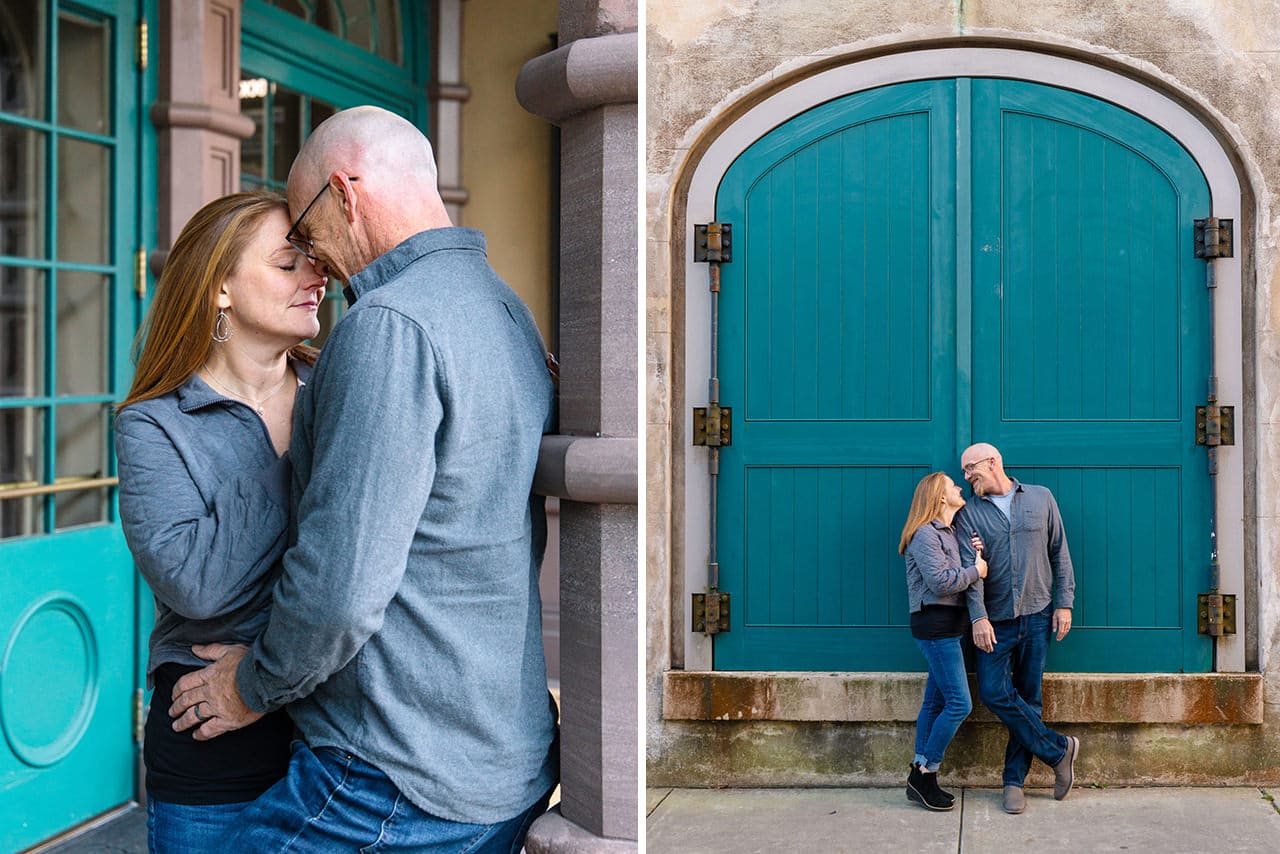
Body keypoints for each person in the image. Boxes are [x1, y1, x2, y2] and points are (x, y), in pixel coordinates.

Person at [165, 106, 559, 851]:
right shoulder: (508, 310)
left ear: (345, 196)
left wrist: (248, 687)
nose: (317, 262)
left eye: (308, 233)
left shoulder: (389, 325)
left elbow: (339, 584)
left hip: (390, 777)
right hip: (496, 761)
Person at [114, 190, 325, 852]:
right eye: (288, 264)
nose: (316, 277)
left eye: (314, 263)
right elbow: (196, 589)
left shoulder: (340, 387)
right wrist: (298, 448)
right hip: (213, 735)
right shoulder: (154, 423)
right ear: (221, 290)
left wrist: (265, 665)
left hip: (341, 729)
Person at [956, 442, 1079, 815]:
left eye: (969, 468)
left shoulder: (1041, 498)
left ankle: (1014, 781)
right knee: (993, 692)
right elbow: (971, 572)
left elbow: (1059, 552)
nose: (966, 476)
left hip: (1039, 614)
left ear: (992, 462)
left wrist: (1064, 603)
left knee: (1029, 698)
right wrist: (978, 617)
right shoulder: (969, 515)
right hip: (995, 622)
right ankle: (1060, 750)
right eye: (963, 472)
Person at [899, 472, 987, 811]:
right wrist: (975, 572)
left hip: (951, 627)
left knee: (934, 703)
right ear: (939, 497)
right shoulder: (924, 534)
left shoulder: (950, 533)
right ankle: (926, 772)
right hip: (934, 627)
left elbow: (958, 572)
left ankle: (918, 775)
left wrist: (974, 557)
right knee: (959, 704)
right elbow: (938, 582)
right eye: (953, 486)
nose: (960, 488)